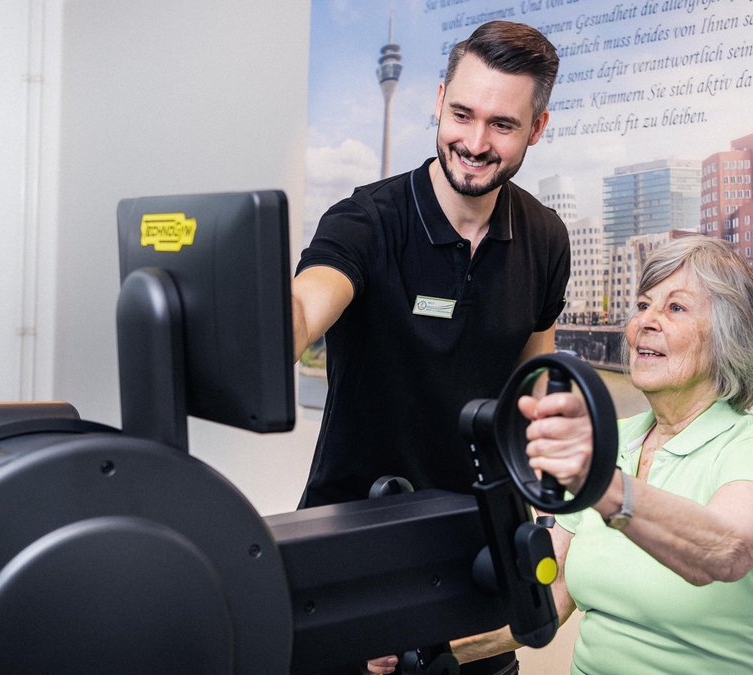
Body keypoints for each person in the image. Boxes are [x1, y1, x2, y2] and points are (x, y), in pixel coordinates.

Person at [371, 236, 753, 674]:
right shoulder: (612, 442)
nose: (644, 323)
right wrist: (416, 647)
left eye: (675, 308)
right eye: (642, 305)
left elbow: (728, 550)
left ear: (731, 337)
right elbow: (547, 601)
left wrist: (598, 482)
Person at [293, 21, 567, 675]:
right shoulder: (367, 221)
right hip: (352, 542)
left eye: (502, 125)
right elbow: (309, 301)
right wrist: (269, 330)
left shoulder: (545, 238)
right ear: (439, 97)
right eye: (461, 113)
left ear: (537, 127)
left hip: (479, 547)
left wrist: (549, 500)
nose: (474, 143)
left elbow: (537, 386)